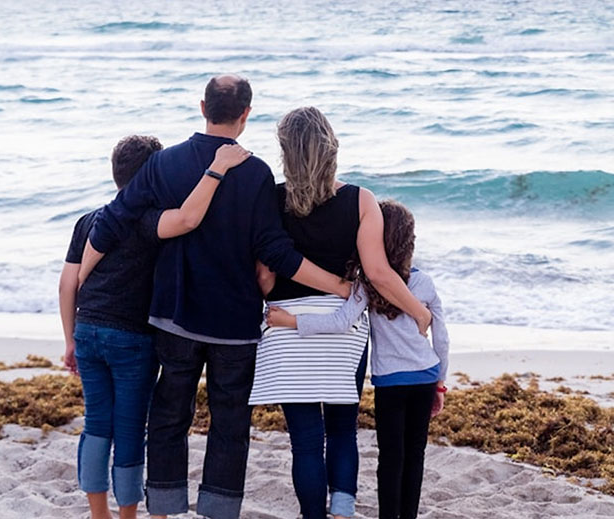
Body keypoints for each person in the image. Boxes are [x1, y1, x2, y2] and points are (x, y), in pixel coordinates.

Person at [79, 76, 350, 519]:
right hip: (234, 324)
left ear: (202, 106)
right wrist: (337, 285)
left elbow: (114, 220)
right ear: (247, 114)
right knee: (229, 426)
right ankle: (218, 513)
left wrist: (80, 282)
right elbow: (275, 251)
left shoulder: (164, 163)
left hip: (175, 317)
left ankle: (162, 511)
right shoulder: (257, 172)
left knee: (168, 417)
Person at [248, 107, 433, 519]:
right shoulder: (361, 200)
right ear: (331, 147)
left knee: (307, 442)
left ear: (286, 153)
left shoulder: (272, 200)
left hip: (286, 329)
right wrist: (419, 312)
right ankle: (343, 508)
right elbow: (379, 274)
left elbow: (262, 277)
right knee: (342, 429)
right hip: (343, 328)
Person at [59, 135, 250, 519]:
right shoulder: (148, 220)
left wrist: (69, 340)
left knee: (97, 423)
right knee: (130, 428)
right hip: (131, 339)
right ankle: (128, 514)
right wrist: (217, 169)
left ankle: (99, 512)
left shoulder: (90, 219)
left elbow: (67, 283)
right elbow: (187, 218)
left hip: (87, 331)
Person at [268, 200, 450, 519]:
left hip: (390, 384)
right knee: (415, 456)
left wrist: (292, 321)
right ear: (410, 242)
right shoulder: (424, 282)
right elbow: (442, 338)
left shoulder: (367, 283)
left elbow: (340, 322)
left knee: (391, 458)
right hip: (425, 376)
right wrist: (440, 382)